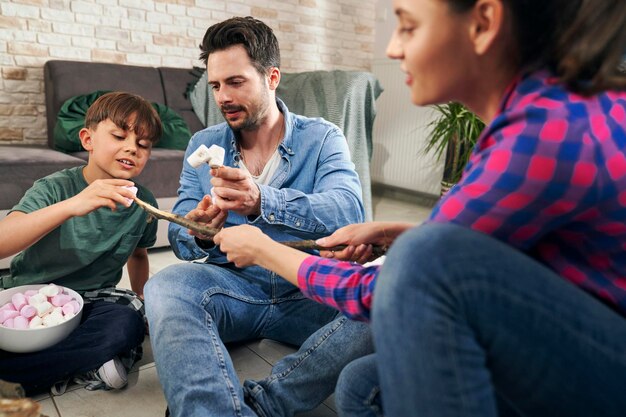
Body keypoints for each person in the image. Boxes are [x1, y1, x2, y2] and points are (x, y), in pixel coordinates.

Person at [214, 0, 626, 416]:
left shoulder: (542, 137)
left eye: (408, 27)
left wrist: (263, 249)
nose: (392, 48)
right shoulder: (549, 109)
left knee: (420, 259)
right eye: (215, 86)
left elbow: (392, 291)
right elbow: (486, 248)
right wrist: (395, 232)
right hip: (583, 326)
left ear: (483, 23)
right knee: (363, 384)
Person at [143, 16, 372, 417]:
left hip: (306, 286)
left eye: (236, 82)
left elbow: (349, 209)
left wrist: (262, 200)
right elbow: (180, 231)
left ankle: (266, 404)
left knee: (382, 303)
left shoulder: (322, 138)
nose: (223, 97)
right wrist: (198, 228)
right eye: (215, 85)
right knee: (164, 289)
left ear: (271, 77)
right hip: (231, 287)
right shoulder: (203, 143)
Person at [0, 91, 162, 395]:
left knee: (129, 317)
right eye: (119, 136)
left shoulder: (144, 203)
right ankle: (86, 362)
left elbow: (138, 255)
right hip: (29, 292)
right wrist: (74, 204)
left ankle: (18, 374)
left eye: (143, 145)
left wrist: (143, 298)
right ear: (88, 139)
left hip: (92, 300)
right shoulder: (54, 188)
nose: (132, 148)